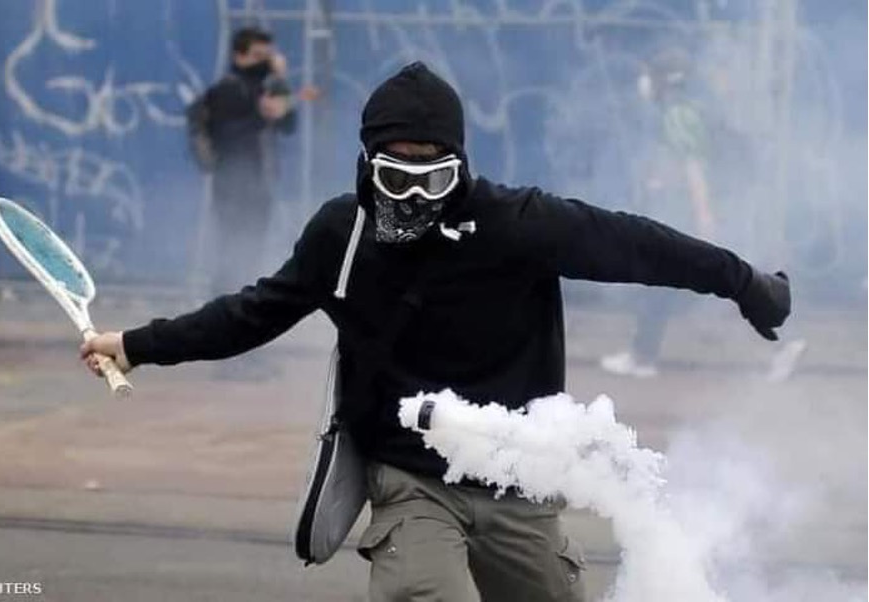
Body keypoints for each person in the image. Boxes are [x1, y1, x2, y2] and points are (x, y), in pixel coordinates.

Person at [82, 62, 790, 602]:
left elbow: (641, 246)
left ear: (461, 169)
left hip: (516, 479)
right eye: (398, 178)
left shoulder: (517, 224)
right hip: (410, 482)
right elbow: (253, 312)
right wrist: (138, 345)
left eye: (435, 178)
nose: (416, 199)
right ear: (368, 167)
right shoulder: (342, 236)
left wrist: (744, 282)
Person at [600, 48, 716, 378]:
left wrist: (703, 214)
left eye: (652, 75)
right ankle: (642, 354)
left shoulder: (677, 114)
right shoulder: (683, 111)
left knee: (675, 282)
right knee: (664, 285)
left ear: (665, 80)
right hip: (679, 208)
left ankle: (642, 357)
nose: (645, 82)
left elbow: (693, 167)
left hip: (682, 211)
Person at [199, 27, 297, 294]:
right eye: (257, 56)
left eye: (267, 56)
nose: (263, 63)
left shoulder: (266, 88)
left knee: (252, 248)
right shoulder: (226, 90)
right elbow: (225, 135)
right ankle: (221, 301)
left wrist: (281, 81)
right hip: (231, 183)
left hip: (260, 183)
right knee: (231, 247)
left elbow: (288, 123)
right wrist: (261, 117)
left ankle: (240, 301)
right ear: (239, 56)